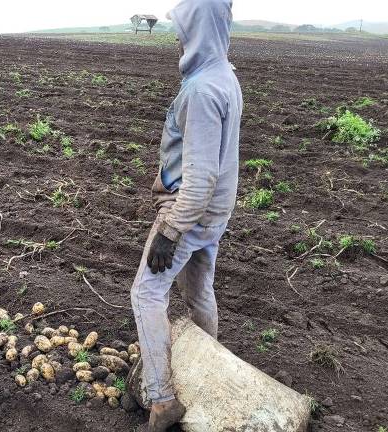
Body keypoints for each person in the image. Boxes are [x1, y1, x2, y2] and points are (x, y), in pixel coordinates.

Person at [129, 0, 242, 430]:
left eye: (182, 27)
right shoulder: (225, 76)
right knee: (199, 292)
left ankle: (163, 402)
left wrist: (170, 231)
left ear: (196, 29)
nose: (178, 36)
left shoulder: (200, 91)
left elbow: (200, 177)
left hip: (190, 212)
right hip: (215, 215)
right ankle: (210, 372)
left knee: (146, 294)